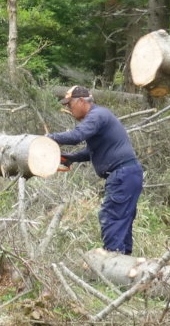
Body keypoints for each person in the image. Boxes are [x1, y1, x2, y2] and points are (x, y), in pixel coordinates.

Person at [47, 86, 143, 255]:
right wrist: (71, 158)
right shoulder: (100, 116)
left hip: (122, 174)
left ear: (82, 101)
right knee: (122, 220)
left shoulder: (97, 115)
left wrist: (49, 138)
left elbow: (77, 136)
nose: (69, 109)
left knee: (112, 217)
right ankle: (124, 266)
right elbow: (91, 151)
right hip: (128, 174)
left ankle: (113, 261)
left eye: (70, 105)